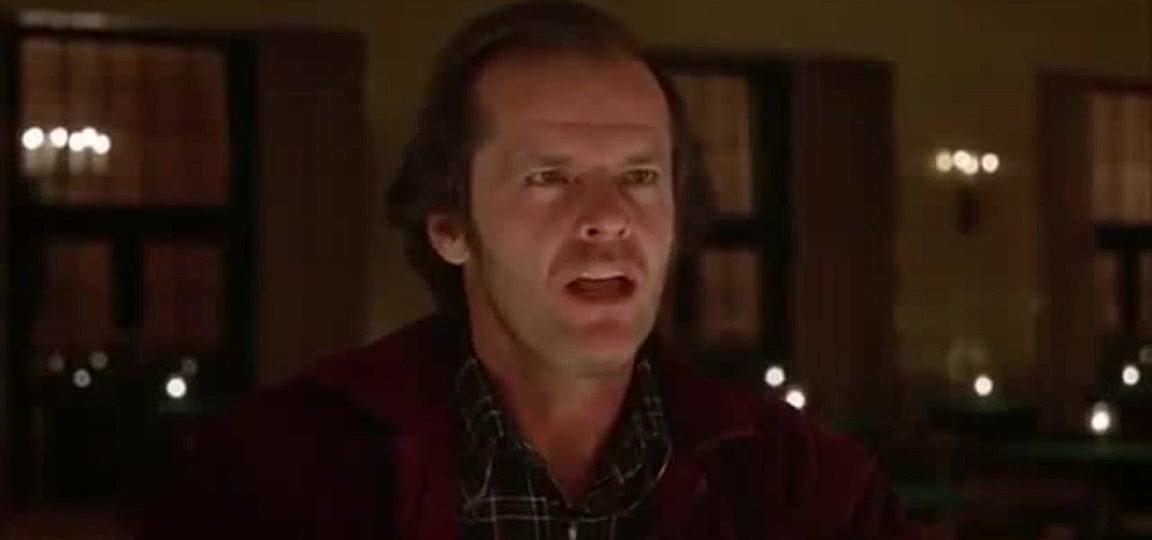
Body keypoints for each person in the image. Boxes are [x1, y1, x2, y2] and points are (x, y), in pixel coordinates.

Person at [141, 1, 916, 538]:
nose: (608, 215)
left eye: (640, 176)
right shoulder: (274, 477)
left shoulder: (808, 490)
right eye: (550, 177)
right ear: (450, 227)